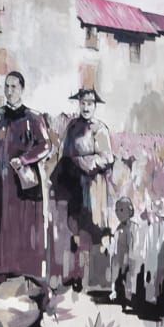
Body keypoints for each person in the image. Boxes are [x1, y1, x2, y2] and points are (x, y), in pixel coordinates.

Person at [0, 70, 51, 283]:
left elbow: (46, 145)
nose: (10, 92)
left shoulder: (33, 118)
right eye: (7, 87)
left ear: (22, 90)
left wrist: (25, 159)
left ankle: (24, 272)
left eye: (14, 87)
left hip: (22, 184)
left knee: (22, 226)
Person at [50, 88, 115, 289]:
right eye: (83, 103)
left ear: (95, 106)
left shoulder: (100, 129)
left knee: (94, 229)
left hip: (93, 187)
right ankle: (76, 275)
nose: (86, 107)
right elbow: (65, 153)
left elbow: (108, 158)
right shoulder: (72, 126)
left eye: (90, 103)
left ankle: (97, 277)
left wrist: (85, 163)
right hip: (74, 186)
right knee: (74, 229)